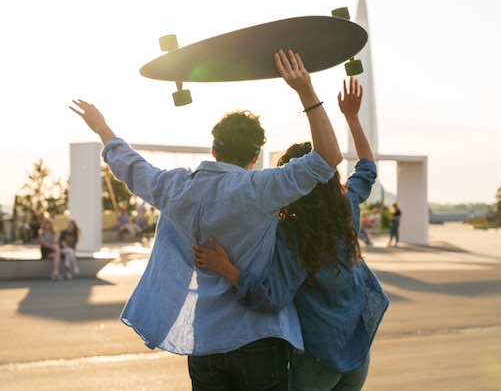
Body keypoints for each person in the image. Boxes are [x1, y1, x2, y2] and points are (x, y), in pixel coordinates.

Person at [69, 50, 343, 391]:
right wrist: (306, 91)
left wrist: (102, 128)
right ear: (256, 155)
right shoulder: (260, 188)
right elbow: (328, 158)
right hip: (256, 337)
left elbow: (132, 167)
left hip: (205, 340)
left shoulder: (176, 188)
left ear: (213, 150)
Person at [193, 77, 389, 391]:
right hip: (358, 352)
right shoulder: (347, 205)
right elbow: (367, 167)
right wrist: (351, 118)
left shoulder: (293, 234)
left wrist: (223, 267)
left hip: (318, 360)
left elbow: (270, 297)